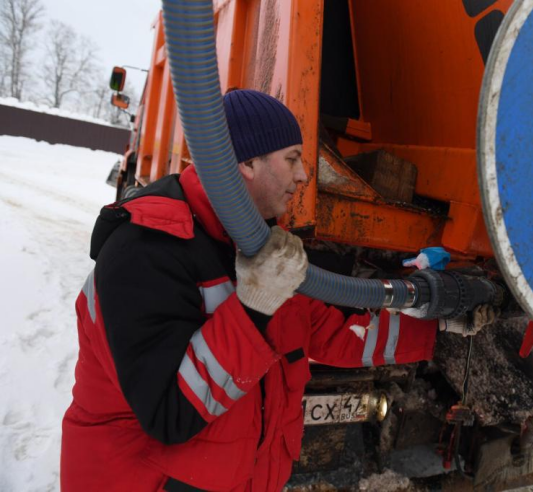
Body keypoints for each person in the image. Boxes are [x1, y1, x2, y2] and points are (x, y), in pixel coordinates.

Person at [61, 89, 474, 492]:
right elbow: (170, 414)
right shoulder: (146, 249)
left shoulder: (255, 247)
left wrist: (447, 334)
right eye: (292, 159)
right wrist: (252, 308)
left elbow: (331, 332)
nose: (303, 174)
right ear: (246, 163)